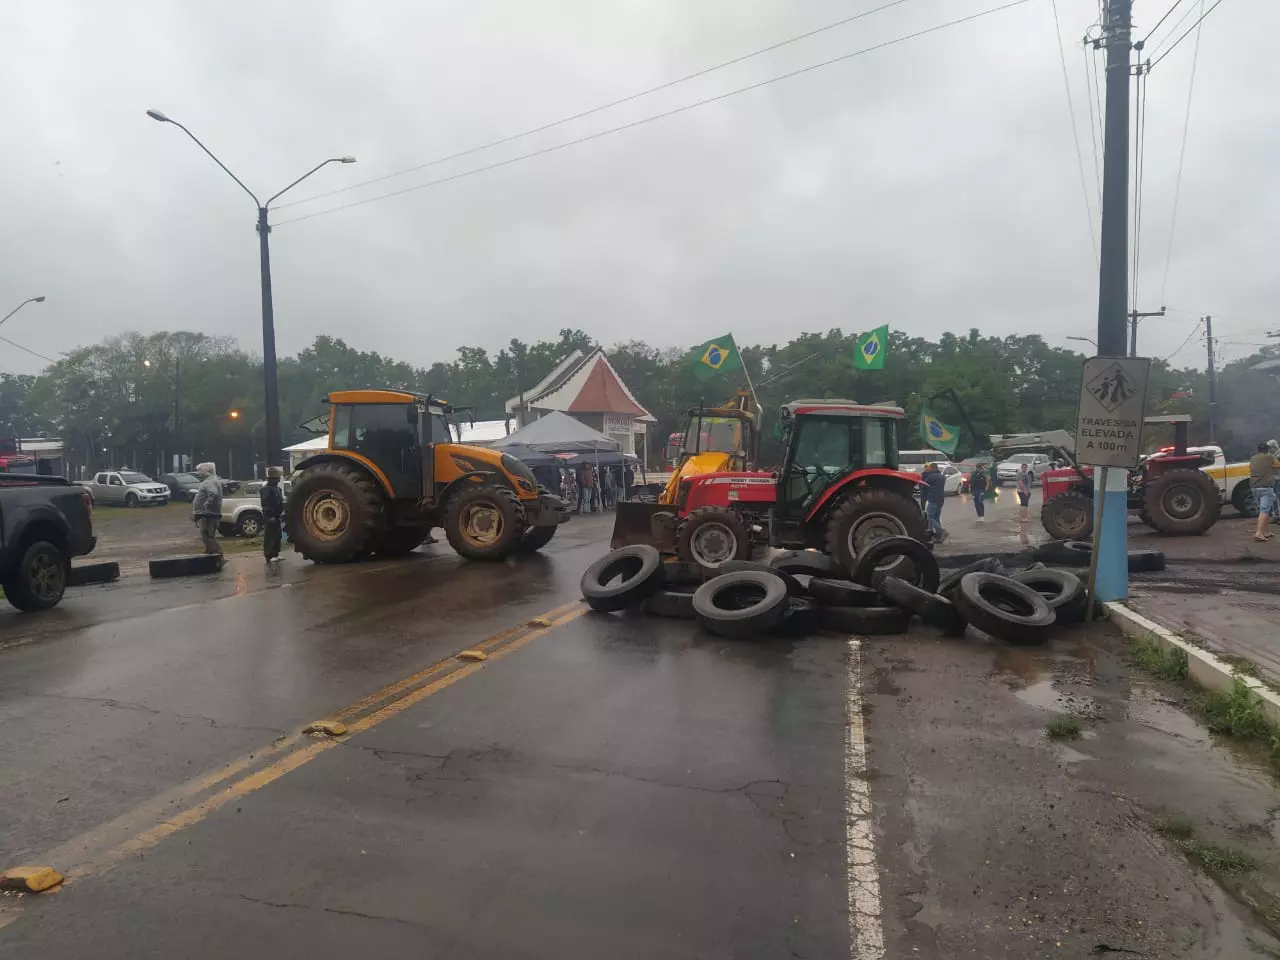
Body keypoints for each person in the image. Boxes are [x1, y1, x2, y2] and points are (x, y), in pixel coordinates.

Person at [191, 461, 225, 566]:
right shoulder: (213, 480)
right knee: (207, 535)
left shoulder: (209, 482)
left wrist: (205, 507)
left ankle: (218, 556)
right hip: (210, 513)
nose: (198, 472)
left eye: (200, 469)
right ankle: (210, 554)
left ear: (207, 470)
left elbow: (213, 493)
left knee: (207, 535)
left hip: (208, 514)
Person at [1249, 442, 1277, 542]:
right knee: (1265, 511)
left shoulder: (1252, 458)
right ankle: (1259, 533)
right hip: (1265, 488)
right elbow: (1278, 465)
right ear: (1267, 450)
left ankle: (1265, 532)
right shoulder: (1269, 458)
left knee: (1263, 510)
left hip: (1254, 488)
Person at [260, 467, 285, 563]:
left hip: (277, 516)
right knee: (270, 536)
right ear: (272, 478)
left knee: (277, 535)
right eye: (277, 477)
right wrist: (270, 516)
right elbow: (266, 504)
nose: (279, 479)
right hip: (270, 517)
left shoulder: (277, 488)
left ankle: (275, 554)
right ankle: (269, 555)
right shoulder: (266, 489)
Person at [920, 462, 948, 543]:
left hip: (933, 499)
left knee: (929, 516)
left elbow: (924, 486)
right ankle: (939, 536)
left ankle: (942, 531)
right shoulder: (942, 476)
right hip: (941, 499)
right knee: (936, 517)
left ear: (932, 468)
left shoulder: (930, 476)